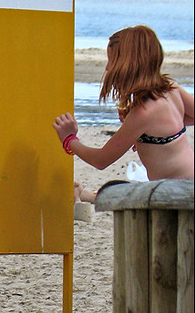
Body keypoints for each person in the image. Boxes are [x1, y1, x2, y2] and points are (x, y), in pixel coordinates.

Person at [53, 25, 194, 193]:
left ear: (128, 65)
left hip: (178, 194)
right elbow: (171, 120)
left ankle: (86, 196)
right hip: (187, 183)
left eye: (111, 61)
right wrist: (151, 130)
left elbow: (101, 160)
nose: (107, 68)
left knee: (112, 190)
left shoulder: (143, 113)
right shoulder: (171, 88)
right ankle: (86, 196)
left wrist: (69, 139)